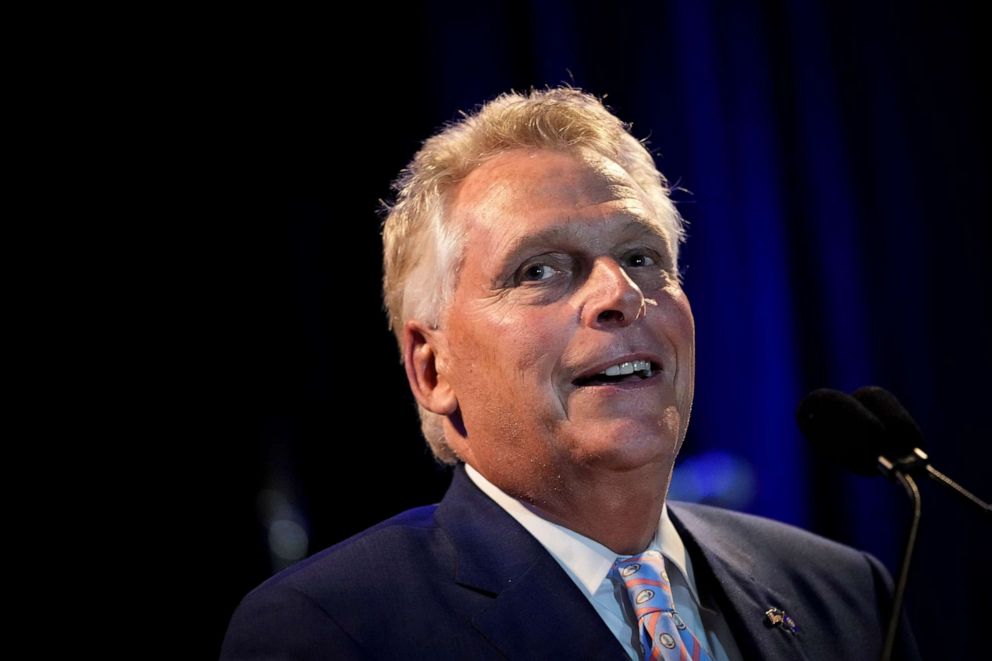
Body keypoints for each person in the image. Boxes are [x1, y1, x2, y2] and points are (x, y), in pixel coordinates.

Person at [221, 87, 919, 660]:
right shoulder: (327, 632)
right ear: (433, 368)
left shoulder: (846, 595)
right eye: (541, 270)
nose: (620, 294)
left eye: (643, 257)